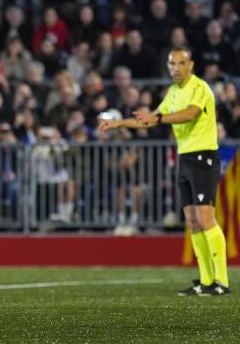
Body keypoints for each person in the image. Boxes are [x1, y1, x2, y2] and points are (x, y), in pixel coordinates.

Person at [98, 48, 231, 296]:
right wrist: (118, 123)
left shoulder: (199, 88)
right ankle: (205, 281)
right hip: (185, 159)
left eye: (182, 63)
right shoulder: (172, 93)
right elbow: (151, 119)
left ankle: (221, 281)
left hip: (204, 158)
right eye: (172, 63)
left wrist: (157, 119)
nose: (176, 68)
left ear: (191, 65)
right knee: (192, 222)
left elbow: (189, 114)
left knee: (206, 219)